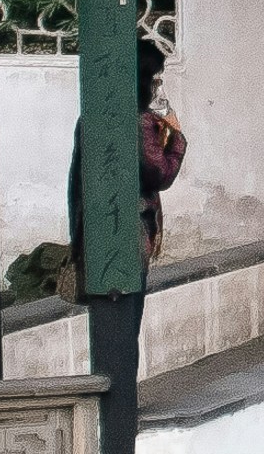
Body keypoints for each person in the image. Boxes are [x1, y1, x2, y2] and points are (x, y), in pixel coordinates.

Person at [62, 42, 186, 293]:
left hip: (96, 234)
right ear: (143, 80)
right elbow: (160, 173)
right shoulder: (140, 122)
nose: (158, 90)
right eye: (156, 80)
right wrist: (176, 137)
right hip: (130, 234)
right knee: (127, 316)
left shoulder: (92, 116)